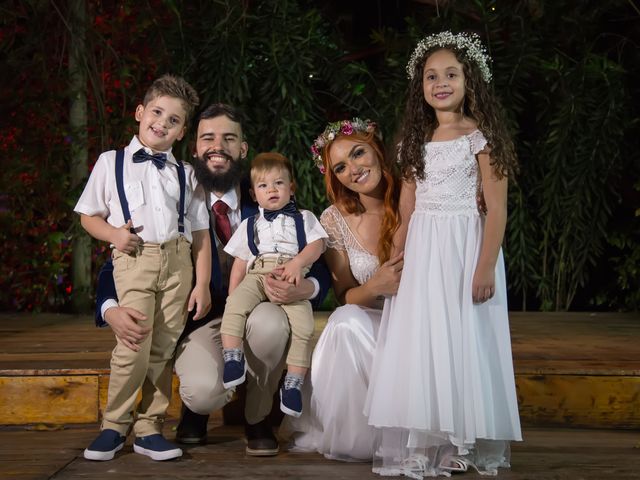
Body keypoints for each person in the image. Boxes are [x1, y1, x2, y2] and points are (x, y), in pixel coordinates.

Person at [94, 103, 330, 457]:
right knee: (203, 390)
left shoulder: (270, 199)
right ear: (194, 148)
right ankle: (195, 409)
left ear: (242, 149)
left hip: (260, 310)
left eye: (228, 138)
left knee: (270, 327)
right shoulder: (171, 199)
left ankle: (259, 416)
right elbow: (127, 258)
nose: (217, 146)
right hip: (198, 322)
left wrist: (304, 287)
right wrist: (109, 306)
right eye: (208, 138)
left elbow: (318, 267)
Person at [364, 31, 523, 477]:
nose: (441, 83)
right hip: (425, 248)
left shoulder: (480, 137)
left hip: (463, 247)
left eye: (451, 74)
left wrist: (485, 265)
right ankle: (421, 440)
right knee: (424, 339)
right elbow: (408, 203)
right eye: (431, 76)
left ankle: (463, 442)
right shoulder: (416, 138)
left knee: (462, 337)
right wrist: (398, 253)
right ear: (421, 86)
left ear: (469, 80)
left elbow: (496, 208)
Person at [75, 74, 211, 461]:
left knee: (163, 349)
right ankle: (114, 425)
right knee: (134, 343)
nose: (162, 123)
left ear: (182, 130)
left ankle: (150, 428)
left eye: (173, 120)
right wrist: (114, 236)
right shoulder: (111, 162)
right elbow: (88, 215)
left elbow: (200, 235)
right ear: (140, 112)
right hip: (134, 259)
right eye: (157, 113)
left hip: (178, 262)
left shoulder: (187, 174)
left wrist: (201, 284)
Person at [281, 118, 404, 461]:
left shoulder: (414, 198)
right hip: (373, 324)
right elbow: (344, 294)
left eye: (358, 153)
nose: (354, 169)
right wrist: (376, 285)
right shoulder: (335, 219)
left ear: (377, 149)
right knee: (344, 320)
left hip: (418, 324)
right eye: (340, 166)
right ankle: (362, 436)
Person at [220, 152, 328, 418]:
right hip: (258, 273)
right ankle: (232, 356)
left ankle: (292, 384)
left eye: (279, 183)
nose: (272, 190)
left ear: (291, 188)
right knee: (234, 306)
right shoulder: (250, 224)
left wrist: (297, 263)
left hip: (293, 275)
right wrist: (234, 295)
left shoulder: (305, 218)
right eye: (263, 186)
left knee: (304, 327)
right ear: (254, 194)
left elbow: (318, 244)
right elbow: (240, 263)